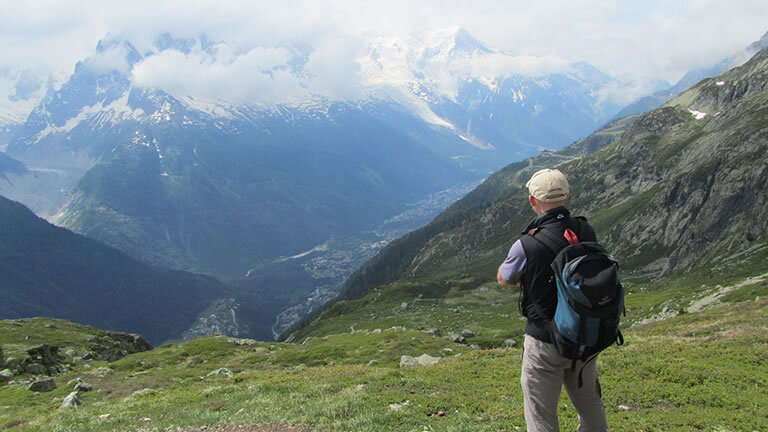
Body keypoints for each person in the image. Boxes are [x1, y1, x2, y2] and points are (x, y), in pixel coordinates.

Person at [497, 168, 608, 432]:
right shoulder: (586, 230)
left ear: (533, 201)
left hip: (544, 340)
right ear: (566, 196)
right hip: (584, 334)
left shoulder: (527, 244)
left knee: (541, 413)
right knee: (590, 403)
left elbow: (505, 278)